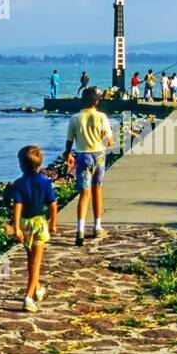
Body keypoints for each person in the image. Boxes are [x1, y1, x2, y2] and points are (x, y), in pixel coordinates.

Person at [7, 145, 58, 312]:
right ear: (39, 164)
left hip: (25, 224)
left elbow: (18, 206)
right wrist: (53, 223)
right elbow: (52, 205)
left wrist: (16, 227)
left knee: (31, 261)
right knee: (36, 263)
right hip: (40, 224)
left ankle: (37, 289)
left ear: (22, 164)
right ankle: (29, 297)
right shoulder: (45, 182)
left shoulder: (19, 184)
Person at [63, 86, 114, 245]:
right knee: (97, 189)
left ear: (82, 101)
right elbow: (109, 141)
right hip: (98, 155)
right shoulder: (102, 117)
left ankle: (80, 230)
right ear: (96, 101)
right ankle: (97, 227)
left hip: (82, 156)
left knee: (84, 194)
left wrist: (68, 156)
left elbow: (69, 142)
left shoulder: (75, 118)